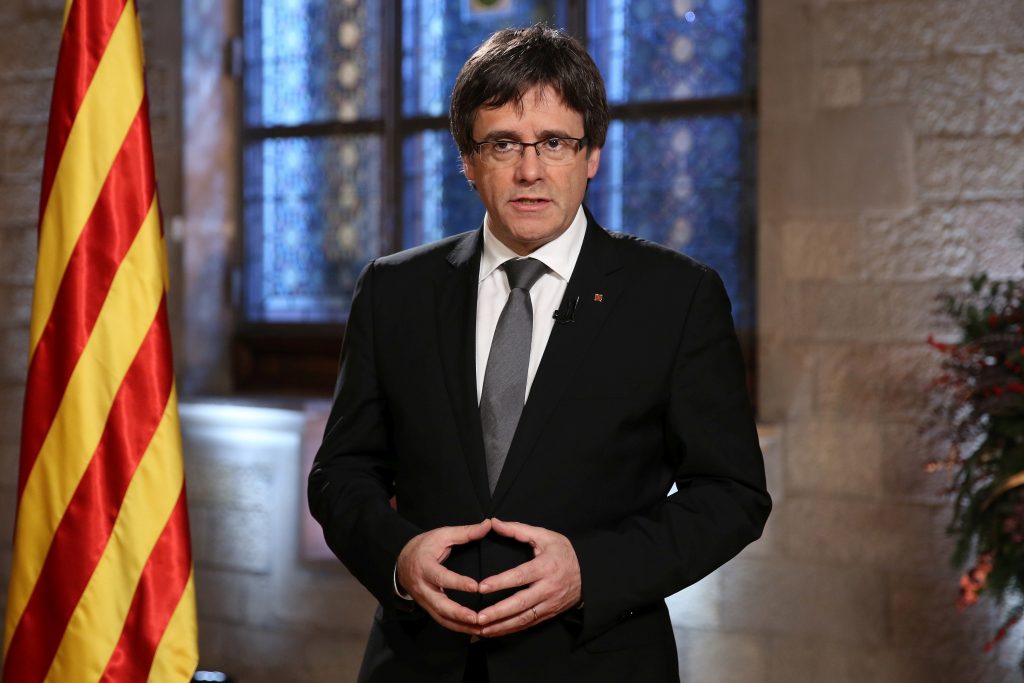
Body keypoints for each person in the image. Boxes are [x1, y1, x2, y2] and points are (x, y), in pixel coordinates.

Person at [308, 24, 771, 683]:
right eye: (503, 144)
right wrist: (399, 557)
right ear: (468, 160)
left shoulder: (677, 296)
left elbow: (732, 494)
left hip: (597, 663)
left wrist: (591, 570)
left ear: (592, 154)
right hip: (418, 663)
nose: (530, 171)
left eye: (554, 142)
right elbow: (341, 472)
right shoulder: (394, 290)